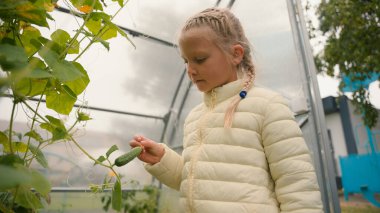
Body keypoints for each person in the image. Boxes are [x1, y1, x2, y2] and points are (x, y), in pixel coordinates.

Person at [130, 7, 323, 213]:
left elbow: (298, 187)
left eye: (200, 59)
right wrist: (163, 159)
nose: (190, 70)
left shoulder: (268, 106)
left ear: (236, 54)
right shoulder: (195, 117)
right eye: (186, 61)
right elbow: (197, 182)